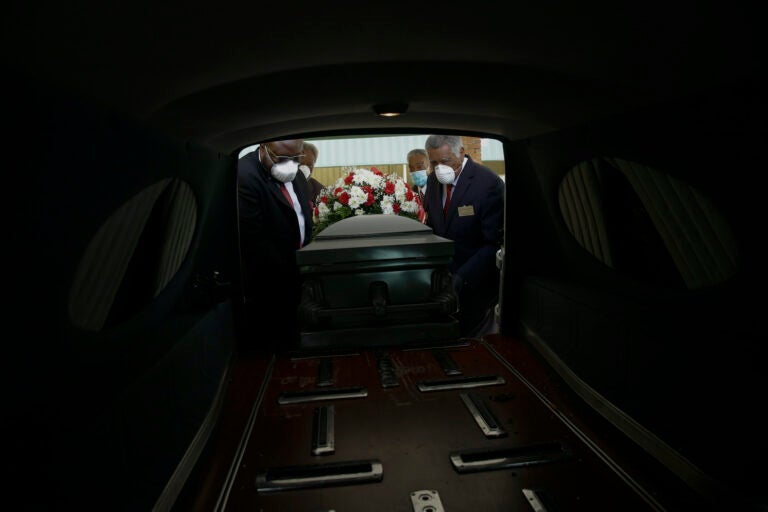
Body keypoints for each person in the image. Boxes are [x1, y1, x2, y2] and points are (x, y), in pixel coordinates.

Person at [423, 134, 504, 338]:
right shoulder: (433, 181)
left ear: (460, 152)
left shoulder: (487, 183)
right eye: (433, 163)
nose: (439, 168)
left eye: (445, 161)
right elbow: (434, 227)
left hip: (476, 286)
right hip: (442, 286)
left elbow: (493, 242)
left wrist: (462, 277)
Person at [237, 139, 313, 349]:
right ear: (263, 148)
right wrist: (291, 273)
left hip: (298, 275)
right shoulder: (245, 175)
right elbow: (253, 240)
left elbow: (303, 217)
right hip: (268, 283)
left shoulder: (295, 173)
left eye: (295, 158)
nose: (289, 164)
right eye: (281, 158)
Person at [299, 142, 324, 208]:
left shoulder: (320, 191)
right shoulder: (281, 188)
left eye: (309, 165)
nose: (304, 168)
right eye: (300, 164)